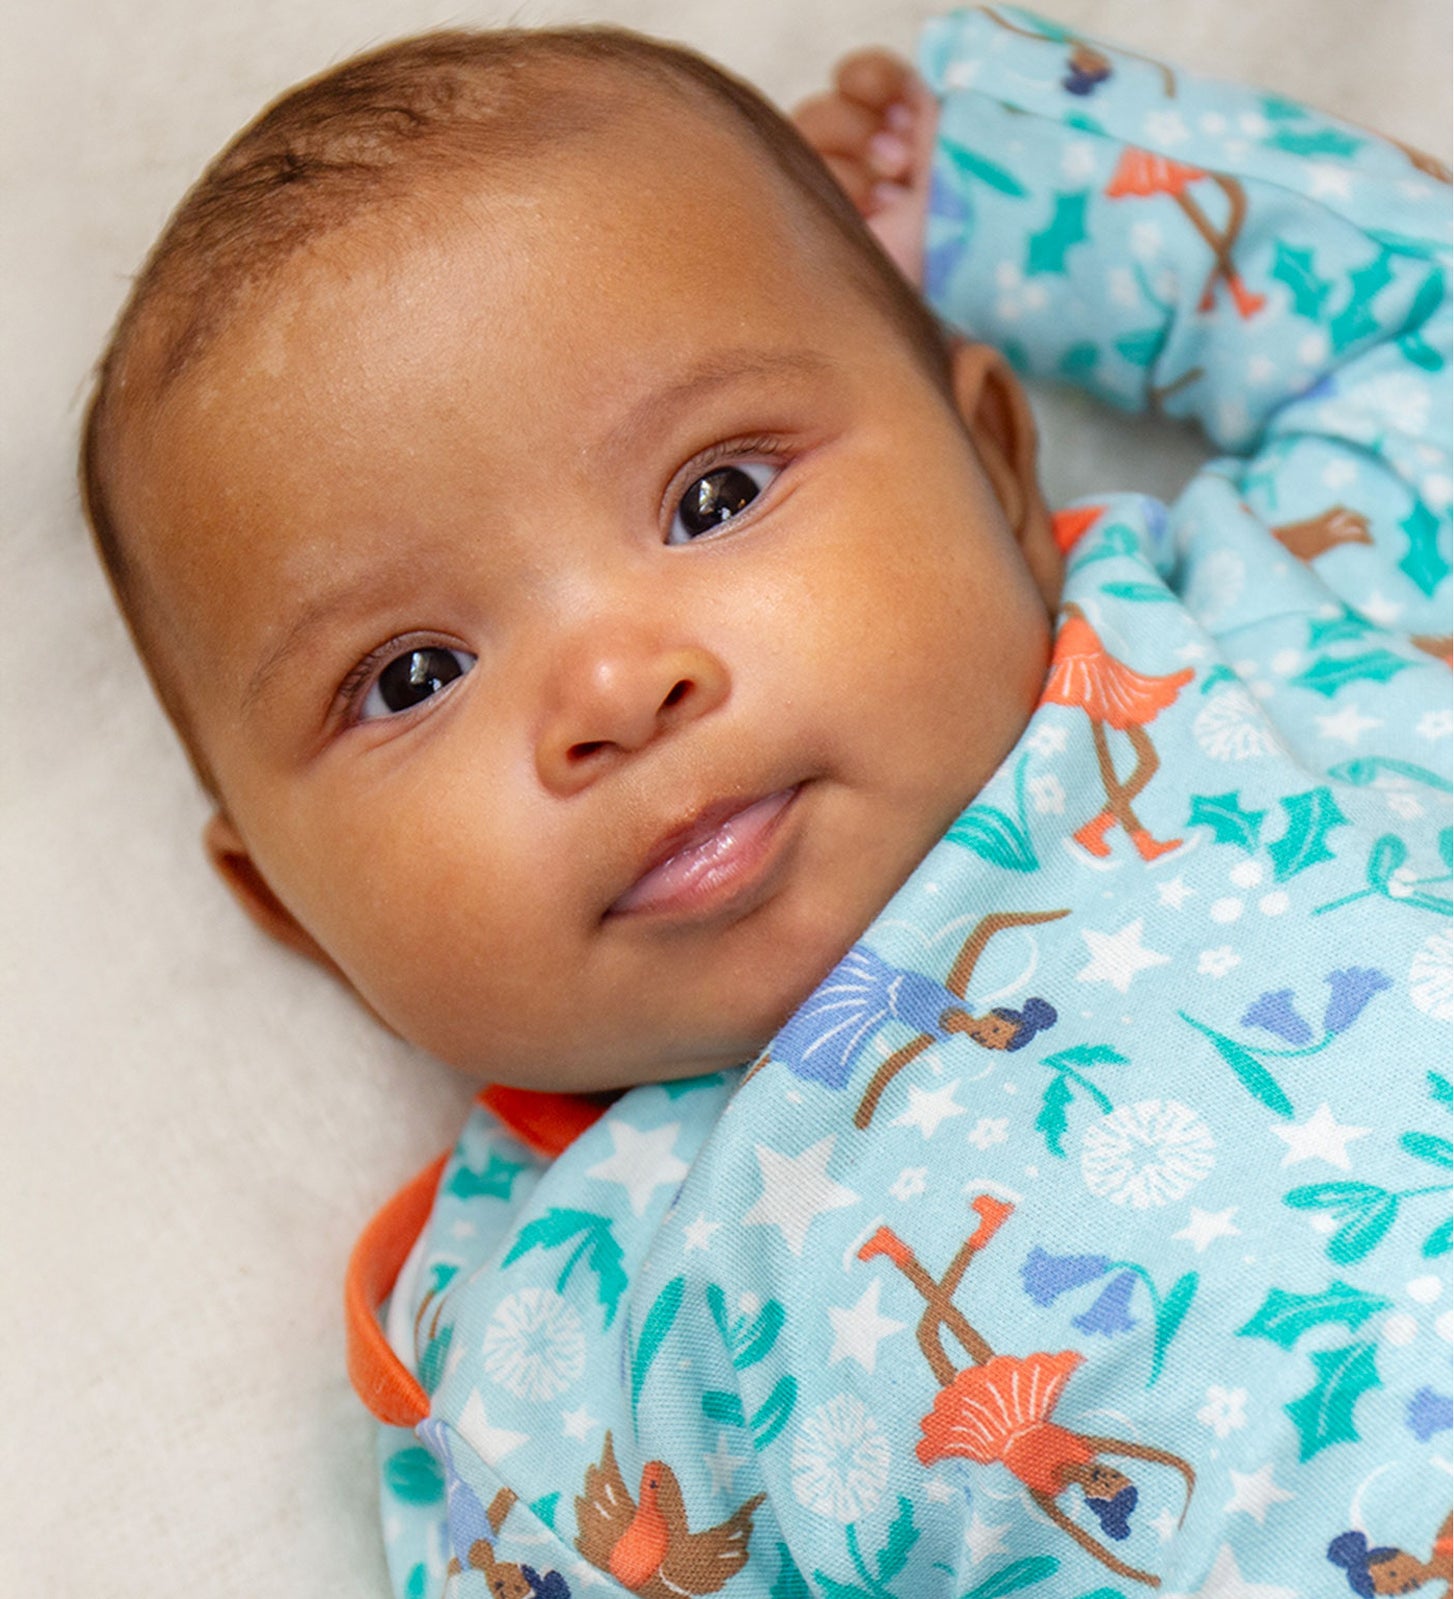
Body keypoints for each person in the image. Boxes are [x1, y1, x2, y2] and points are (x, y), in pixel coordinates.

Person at [78, 8, 1451, 1595]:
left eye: (713, 494)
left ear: (993, 466)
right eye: (411, 676)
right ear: (287, 908)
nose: (611, 690)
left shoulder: (1262, 618)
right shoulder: (560, 1343)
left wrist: (1010, 196)